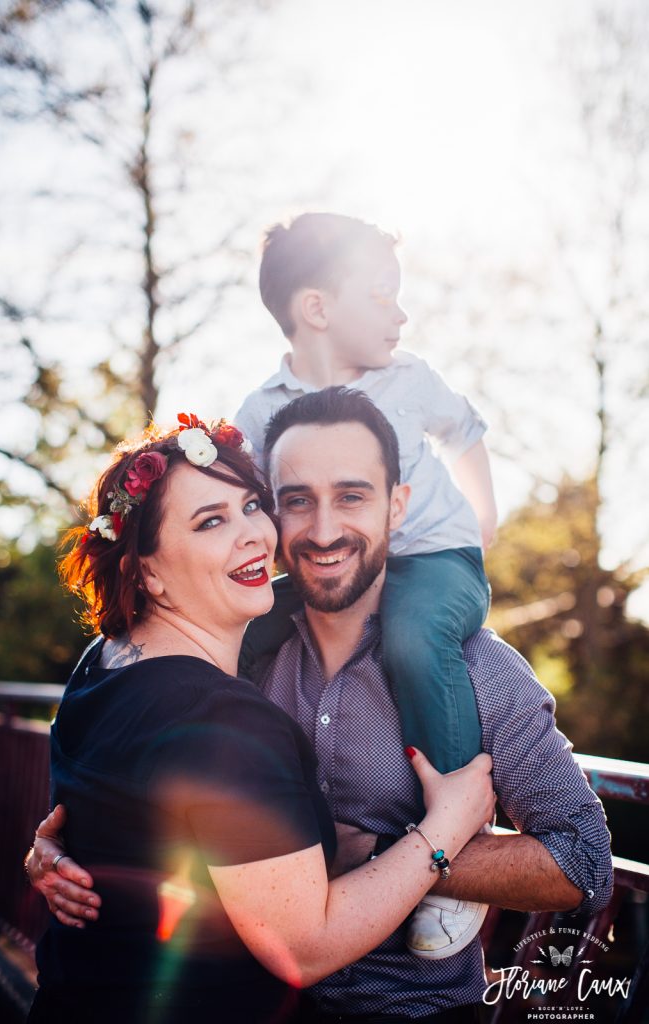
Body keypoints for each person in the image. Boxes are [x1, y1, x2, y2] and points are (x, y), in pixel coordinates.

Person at [29, 390, 613, 1021]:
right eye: (296, 500)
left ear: (397, 507)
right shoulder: (224, 647)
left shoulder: (475, 671)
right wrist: (78, 851)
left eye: (353, 496)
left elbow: (582, 863)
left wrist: (381, 851)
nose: (325, 529)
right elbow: (132, 766)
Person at [235, 211, 498, 957]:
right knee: (239, 629)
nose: (400, 313)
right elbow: (236, 494)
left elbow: (466, 429)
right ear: (315, 308)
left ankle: (458, 850)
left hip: (431, 563)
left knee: (414, 643)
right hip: (330, 568)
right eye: (381, 295)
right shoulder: (262, 410)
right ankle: (237, 809)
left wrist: (484, 519)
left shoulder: (408, 378)